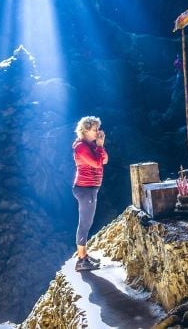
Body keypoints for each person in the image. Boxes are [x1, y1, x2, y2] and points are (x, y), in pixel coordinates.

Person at [72, 115, 108, 271]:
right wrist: (99, 145)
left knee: (87, 221)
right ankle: (81, 260)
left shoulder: (90, 145)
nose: (98, 132)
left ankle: (84, 255)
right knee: (85, 223)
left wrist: (100, 145)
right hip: (85, 189)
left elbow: (105, 159)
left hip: (90, 188)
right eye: (95, 129)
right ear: (86, 130)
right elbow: (97, 162)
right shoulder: (81, 147)